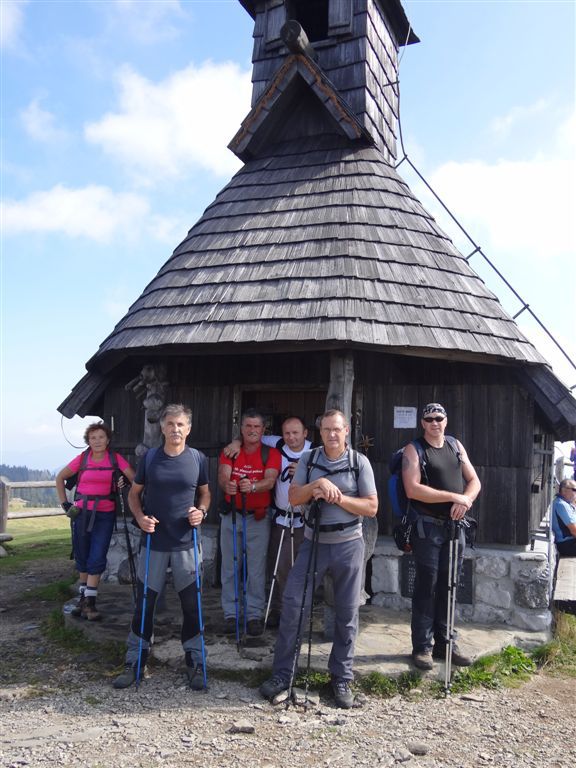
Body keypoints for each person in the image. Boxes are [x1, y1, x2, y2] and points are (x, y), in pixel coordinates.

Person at [259, 409, 378, 709]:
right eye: (326, 430)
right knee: (293, 604)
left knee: (347, 613)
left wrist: (338, 497)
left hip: (349, 544)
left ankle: (341, 677)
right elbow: (294, 497)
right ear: (320, 432)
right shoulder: (310, 460)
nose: (332, 435)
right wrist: (317, 486)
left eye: (337, 429)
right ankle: (283, 674)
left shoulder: (358, 463)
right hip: (313, 543)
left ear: (346, 430)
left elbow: (372, 507)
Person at [113, 404, 210, 690]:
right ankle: (136, 661)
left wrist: (201, 512)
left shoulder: (198, 459)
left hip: (186, 544)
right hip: (153, 542)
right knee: (145, 604)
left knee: (192, 606)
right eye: (170, 424)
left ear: (188, 428)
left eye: (180, 424)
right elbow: (134, 494)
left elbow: (205, 494)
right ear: (162, 427)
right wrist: (140, 517)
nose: (175, 429)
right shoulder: (150, 458)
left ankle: (194, 660)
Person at [402, 403, 481, 671]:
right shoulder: (414, 450)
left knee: (450, 585)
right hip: (427, 528)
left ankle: (446, 643)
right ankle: (422, 647)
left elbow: (474, 481)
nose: (435, 422)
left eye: (439, 418)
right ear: (423, 423)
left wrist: (466, 501)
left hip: (455, 527)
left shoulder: (455, 445)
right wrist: (452, 497)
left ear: (446, 420)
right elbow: (412, 489)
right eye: (429, 419)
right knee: (427, 586)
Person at [224, 416, 312, 628]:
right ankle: (276, 610)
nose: (291, 437)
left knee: (299, 569)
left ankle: (296, 612)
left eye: (295, 433)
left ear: (305, 433)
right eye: (287, 433)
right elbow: (252, 435)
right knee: (277, 567)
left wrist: (304, 472)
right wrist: (235, 442)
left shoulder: (314, 452)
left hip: (303, 519)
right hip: (279, 517)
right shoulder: (276, 444)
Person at [56, 421, 135, 621]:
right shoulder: (82, 459)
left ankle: (90, 604)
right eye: (93, 438)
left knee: (97, 556)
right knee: (82, 556)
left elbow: (135, 479)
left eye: (101, 437)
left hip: (104, 516)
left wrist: (124, 481)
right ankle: (84, 600)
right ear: (88, 441)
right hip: (81, 514)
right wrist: (65, 504)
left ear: (108, 440)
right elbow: (60, 478)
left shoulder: (115, 459)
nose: (97, 441)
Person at [218, 408, 282, 636]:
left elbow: (271, 480)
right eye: (248, 426)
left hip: (258, 516)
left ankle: (254, 614)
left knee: (256, 569)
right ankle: (231, 614)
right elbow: (223, 476)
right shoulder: (230, 451)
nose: (252, 430)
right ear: (241, 428)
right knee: (230, 566)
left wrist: (253, 486)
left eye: (257, 427)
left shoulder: (271, 453)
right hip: (232, 516)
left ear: (263, 430)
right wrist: (229, 486)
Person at [551, 478, 576, 557]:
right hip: (567, 544)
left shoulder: (565, 503)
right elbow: (573, 530)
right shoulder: (561, 505)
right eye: (574, 489)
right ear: (564, 490)